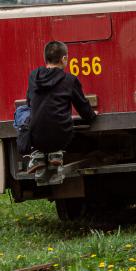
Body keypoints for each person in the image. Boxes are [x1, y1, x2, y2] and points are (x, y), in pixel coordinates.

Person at [23, 40, 97, 175]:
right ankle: (56, 152)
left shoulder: (34, 76)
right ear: (63, 59)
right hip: (62, 137)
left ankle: (37, 153)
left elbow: (30, 103)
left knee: (21, 113)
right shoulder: (70, 79)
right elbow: (83, 108)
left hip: (36, 136)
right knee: (56, 123)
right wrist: (92, 115)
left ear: (45, 58)